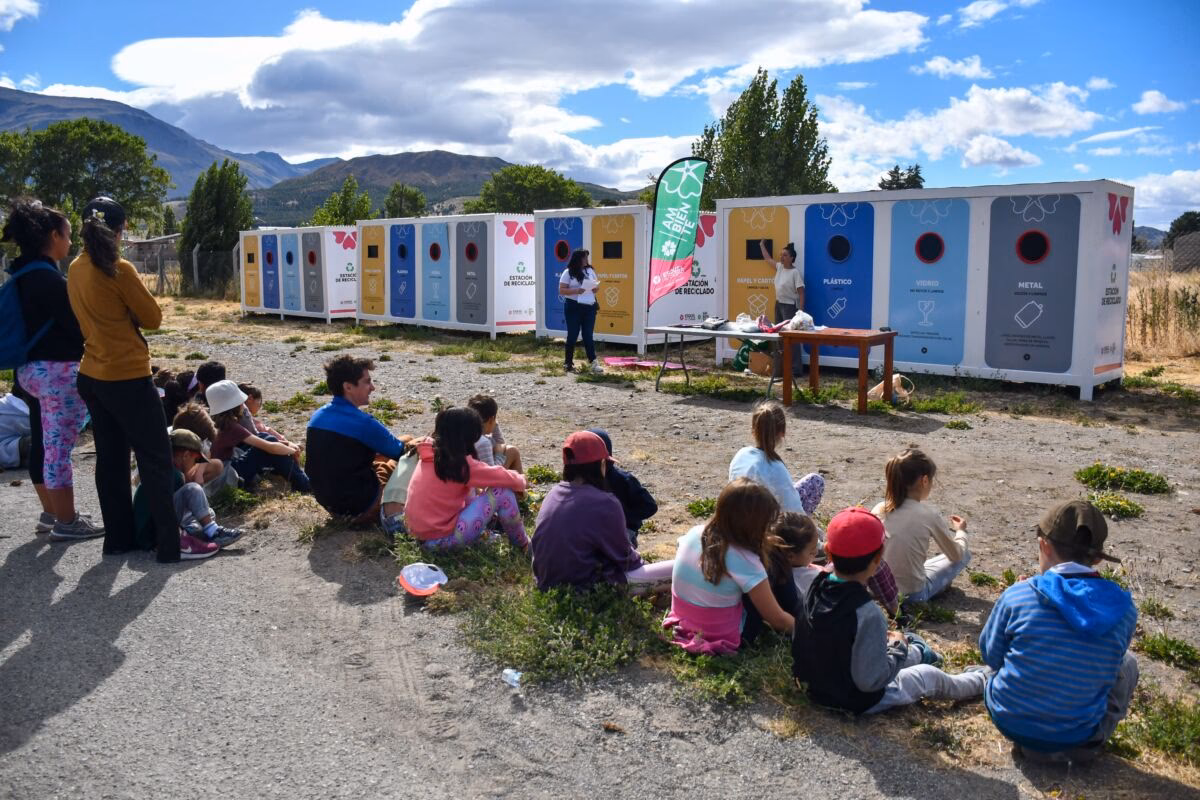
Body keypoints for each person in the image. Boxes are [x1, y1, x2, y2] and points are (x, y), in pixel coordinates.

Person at [66, 196, 188, 561]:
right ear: (121, 231)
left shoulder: (75, 268)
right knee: (155, 458)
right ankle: (168, 544)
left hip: (92, 373)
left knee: (111, 460)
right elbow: (152, 317)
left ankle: (118, 539)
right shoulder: (119, 269)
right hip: (128, 376)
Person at [979, 500, 1138, 764]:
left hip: (1011, 722)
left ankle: (1032, 729)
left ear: (1044, 545)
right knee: (1128, 662)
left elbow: (991, 655)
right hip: (1077, 733)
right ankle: (1091, 739)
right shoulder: (1124, 609)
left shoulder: (1019, 594)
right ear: (1098, 558)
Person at [792, 507, 988, 714]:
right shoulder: (867, 613)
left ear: (829, 553)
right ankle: (980, 680)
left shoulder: (813, 588)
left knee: (898, 649)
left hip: (814, 687)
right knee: (926, 676)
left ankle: (920, 651)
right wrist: (897, 646)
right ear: (878, 558)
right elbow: (871, 681)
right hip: (855, 698)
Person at [2, 198, 102, 541]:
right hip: (57, 373)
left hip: (28, 373)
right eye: (68, 234)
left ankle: (54, 512)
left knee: (44, 441)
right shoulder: (50, 281)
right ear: (52, 236)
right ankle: (68, 523)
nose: (71, 241)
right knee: (59, 448)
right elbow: (79, 327)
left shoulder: (22, 274)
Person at [663, 477, 794, 654]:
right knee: (777, 556)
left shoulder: (695, 533)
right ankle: (797, 609)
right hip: (725, 635)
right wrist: (807, 630)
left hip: (684, 624)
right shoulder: (745, 560)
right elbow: (777, 620)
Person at [532, 430, 672, 592]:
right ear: (602, 464)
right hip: (586, 591)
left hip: (545, 585)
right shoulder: (606, 502)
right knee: (676, 569)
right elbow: (627, 561)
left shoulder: (553, 493)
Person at [404, 407, 529, 551]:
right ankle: (523, 545)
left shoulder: (431, 455)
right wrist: (522, 480)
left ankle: (484, 535)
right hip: (442, 540)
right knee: (502, 491)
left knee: (470, 489)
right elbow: (501, 476)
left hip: (417, 536)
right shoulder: (461, 464)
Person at [305, 355, 409, 521]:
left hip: (330, 505)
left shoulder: (317, 416)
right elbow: (400, 452)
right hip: (362, 506)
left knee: (381, 456)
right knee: (410, 448)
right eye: (367, 382)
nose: (373, 387)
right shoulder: (362, 422)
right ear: (348, 387)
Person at [872, 448, 971, 604]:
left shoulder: (879, 508)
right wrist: (961, 532)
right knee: (964, 554)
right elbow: (956, 555)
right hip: (912, 595)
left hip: (878, 590)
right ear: (924, 480)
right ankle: (937, 588)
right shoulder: (928, 514)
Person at [132, 429, 243, 558]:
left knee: (207, 512)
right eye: (196, 460)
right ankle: (213, 532)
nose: (196, 465)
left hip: (146, 532)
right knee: (193, 489)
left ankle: (200, 531)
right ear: (185, 455)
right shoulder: (175, 476)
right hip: (153, 534)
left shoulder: (164, 468)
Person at [728, 400, 825, 520]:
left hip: (739, 517)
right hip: (768, 527)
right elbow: (793, 509)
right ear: (782, 432)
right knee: (815, 481)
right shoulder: (775, 467)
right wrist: (813, 533)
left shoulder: (741, 455)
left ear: (753, 430)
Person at [207, 380, 310, 493]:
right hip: (228, 477)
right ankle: (304, 484)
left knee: (264, 436)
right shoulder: (231, 427)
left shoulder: (217, 422)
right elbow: (270, 447)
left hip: (225, 470)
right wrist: (292, 450)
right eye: (241, 402)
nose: (243, 405)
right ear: (234, 405)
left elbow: (259, 438)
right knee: (267, 443)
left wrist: (284, 445)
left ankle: (296, 477)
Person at [586, 428, 657, 546]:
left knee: (619, 551)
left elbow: (650, 506)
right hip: (598, 530)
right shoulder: (585, 479)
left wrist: (624, 517)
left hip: (625, 530)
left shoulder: (624, 480)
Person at [170, 403, 239, 496]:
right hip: (175, 481)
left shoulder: (201, 441)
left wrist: (199, 473)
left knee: (217, 464)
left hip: (185, 471)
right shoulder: (178, 445)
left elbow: (207, 452)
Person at [758, 239, 804, 378]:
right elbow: (767, 258)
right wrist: (761, 245)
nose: (781, 257)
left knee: (792, 338)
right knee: (778, 337)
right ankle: (779, 368)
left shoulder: (795, 273)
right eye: (781, 255)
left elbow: (802, 293)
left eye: (785, 255)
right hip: (778, 304)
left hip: (790, 307)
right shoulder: (779, 267)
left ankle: (796, 369)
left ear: (791, 258)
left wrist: (800, 312)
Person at [559, 248, 602, 374]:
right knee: (572, 335)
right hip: (573, 306)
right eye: (584, 258)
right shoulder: (568, 272)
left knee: (588, 335)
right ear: (578, 259)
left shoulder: (590, 270)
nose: (586, 260)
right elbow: (561, 290)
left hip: (589, 306)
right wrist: (576, 291)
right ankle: (568, 363)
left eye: (587, 258)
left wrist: (594, 288)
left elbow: (596, 287)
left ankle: (593, 362)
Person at [466, 394, 522, 472]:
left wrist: (492, 422)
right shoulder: (483, 442)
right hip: (481, 480)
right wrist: (499, 455)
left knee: (507, 450)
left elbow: (500, 444)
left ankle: (516, 482)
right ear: (491, 419)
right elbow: (490, 473)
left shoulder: (466, 434)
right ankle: (521, 482)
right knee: (512, 451)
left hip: (468, 473)